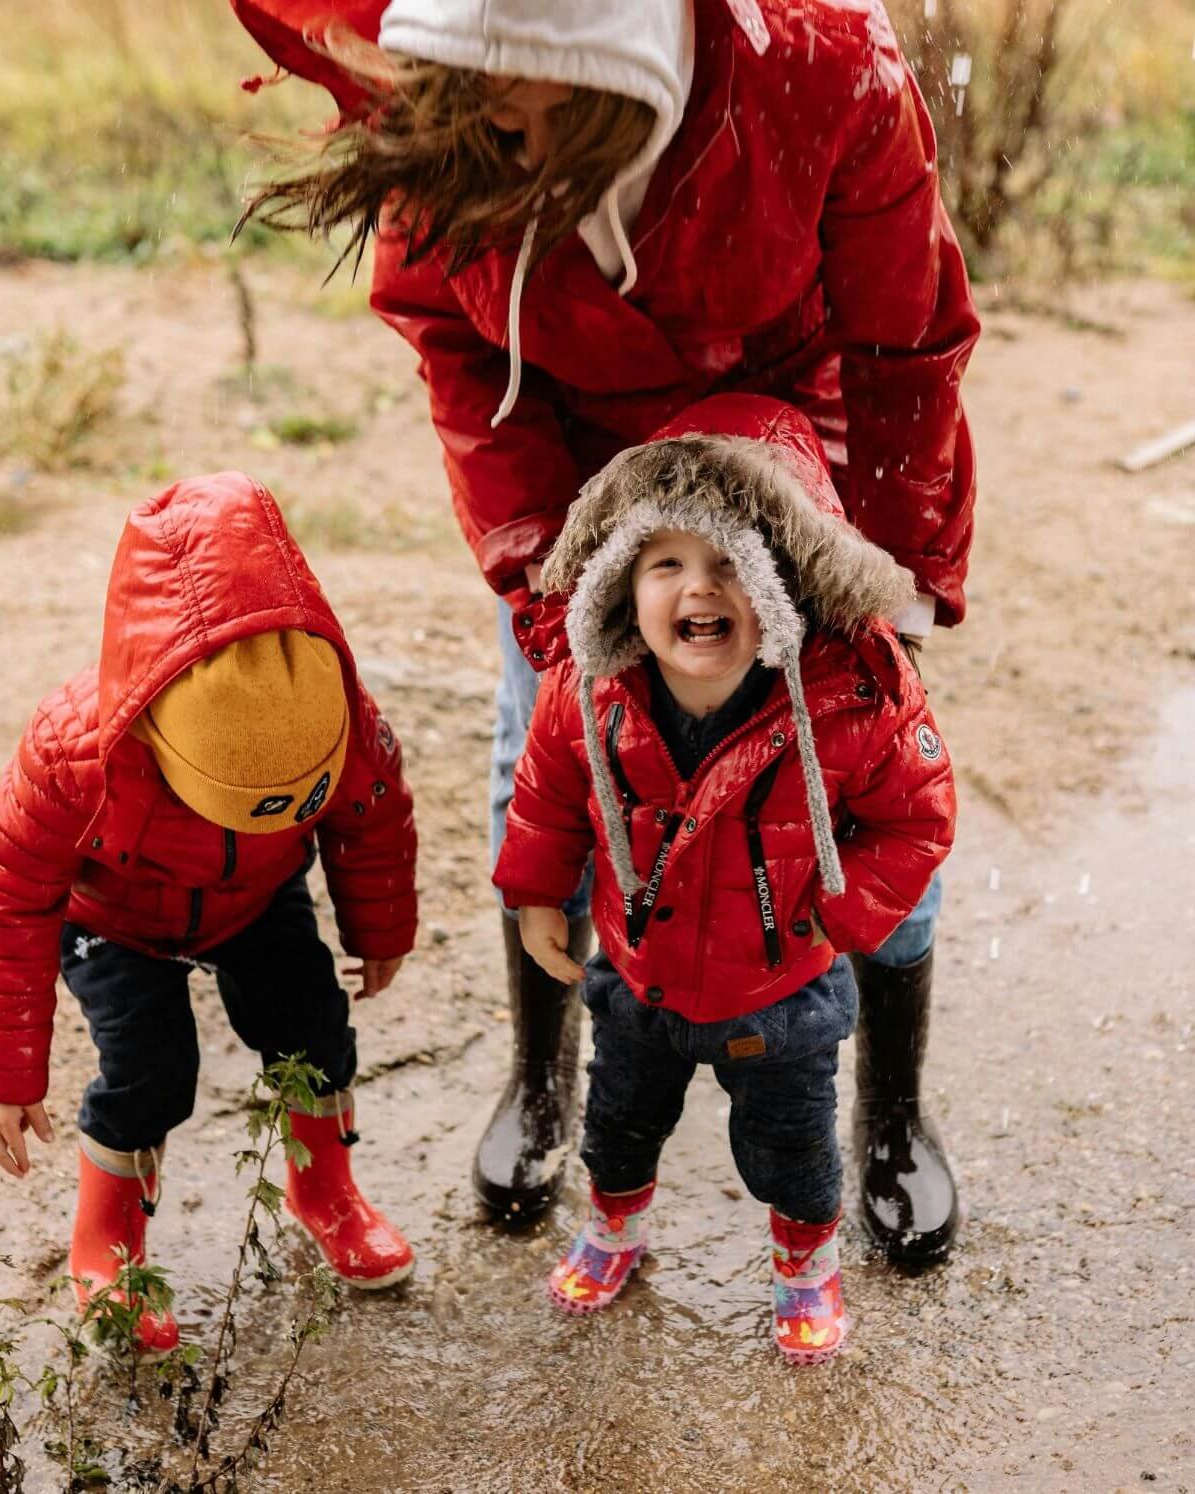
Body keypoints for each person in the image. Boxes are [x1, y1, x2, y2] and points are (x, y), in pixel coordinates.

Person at [232, 0, 978, 1259]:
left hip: (796, 444)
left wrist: (886, 584)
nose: (504, 126)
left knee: (855, 756)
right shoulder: (446, 104)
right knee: (550, 743)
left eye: (541, 101)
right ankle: (542, 1074)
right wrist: (539, 574)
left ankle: (891, 1110)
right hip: (574, 457)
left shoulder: (824, 66)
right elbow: (449, 332)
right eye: (482, 96)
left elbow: (906, 339)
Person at [492, 396, 955, 1355]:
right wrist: (539, 892)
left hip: (781, 991)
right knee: (620, 1124)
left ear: (789, 582)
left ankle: (806, 1264)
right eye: (668, 563)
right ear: (623, 582)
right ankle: (616, 1225)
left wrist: (847, 910)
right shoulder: (590, 688)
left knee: (793, 1151)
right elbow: (546, 791)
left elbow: (917, 812)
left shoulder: (853, 697)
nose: (698, 590)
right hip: (638, 977)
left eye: (733, 564)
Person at [0, 472, 419, 1352]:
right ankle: (108, 1242)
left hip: (256, 896)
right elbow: (7, 895)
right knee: (150, 1065)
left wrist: (378, 931)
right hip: (115, 918)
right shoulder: (72, 751)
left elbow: (373, 817)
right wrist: (4, 1076)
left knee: (313, 1026)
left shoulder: (337, 712)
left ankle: (326, 1193)